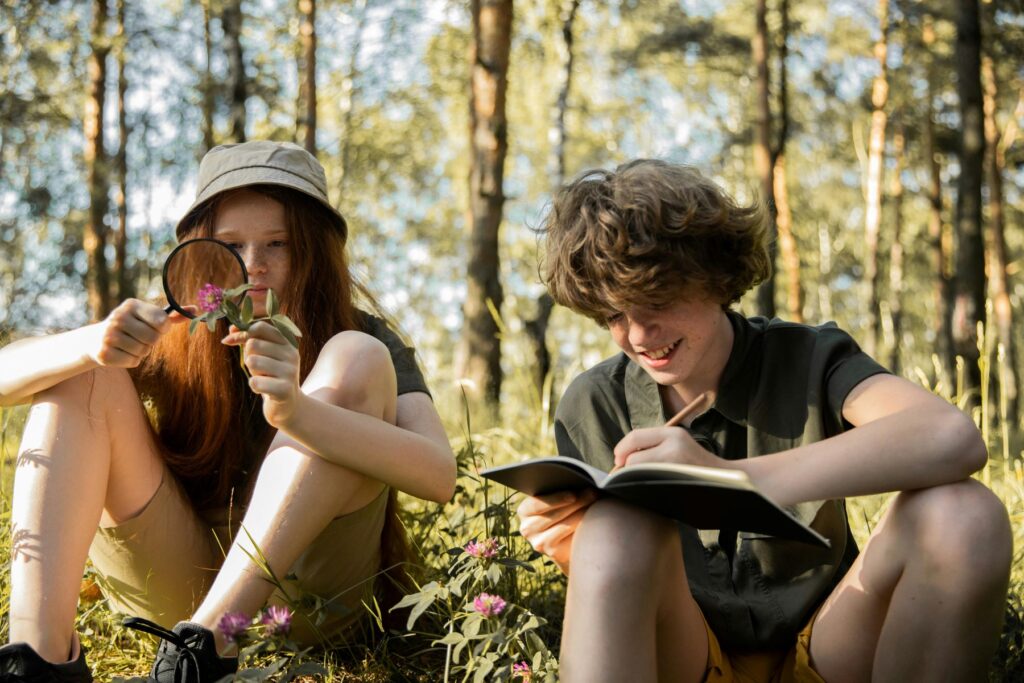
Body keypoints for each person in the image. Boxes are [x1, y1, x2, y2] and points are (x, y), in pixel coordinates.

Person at [516, 159, 1012, 683]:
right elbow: (623, 598)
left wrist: (726, 479)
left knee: (963, 513)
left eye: (656, 300)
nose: (639, 335)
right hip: (686, 659)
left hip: (831, 648)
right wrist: (575, 548)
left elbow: (950, 437)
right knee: (614, 529)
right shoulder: (594, 404)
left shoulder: (806, 357)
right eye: (615, 315)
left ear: (715, 276)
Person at [0, 141, 456, 682]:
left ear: (314, 249)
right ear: (200, 250)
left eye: (278, 243)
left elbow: (438, 475)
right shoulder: (174, 329)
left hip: (312, 597)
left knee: (356, 357)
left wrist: (298, 410)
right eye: (232, 244)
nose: (255, 265)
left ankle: (208, 651)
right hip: (180, 583)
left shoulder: (360, 333)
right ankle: (35, 661)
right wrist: (91, 343)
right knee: (83, 372)